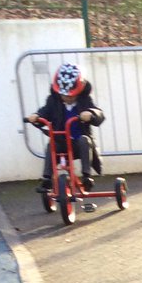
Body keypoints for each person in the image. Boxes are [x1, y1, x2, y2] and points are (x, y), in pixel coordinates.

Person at [25, 62, 104, 192]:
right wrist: (36, 116)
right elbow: (45, 111)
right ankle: (47, 179)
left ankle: (86, 176)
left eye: (71, 95)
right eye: (63, 95)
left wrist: (91, 114)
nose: (67, 98)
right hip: (62, 141)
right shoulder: (53, 101)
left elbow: (99, 113)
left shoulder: (85, 100)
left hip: (79, 144)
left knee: (85, 140)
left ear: (80, 90)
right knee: (52, 145)